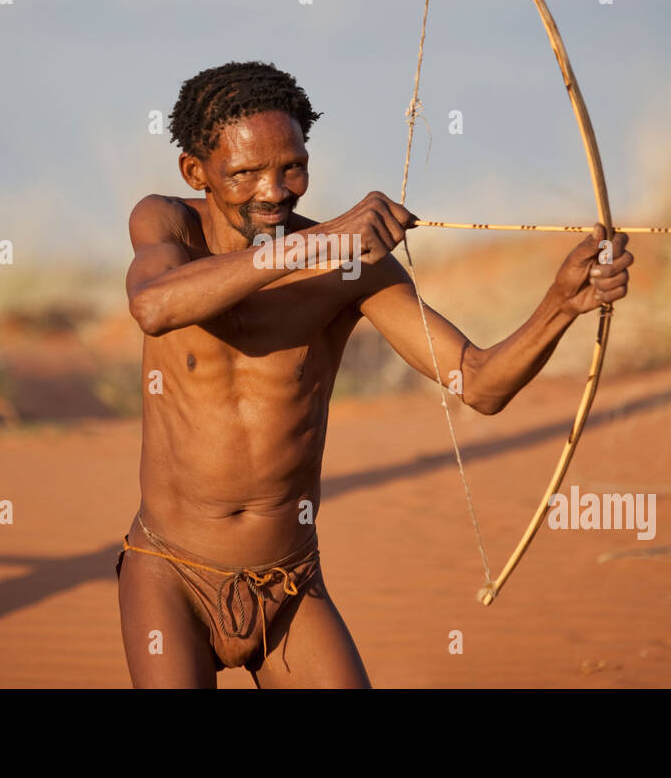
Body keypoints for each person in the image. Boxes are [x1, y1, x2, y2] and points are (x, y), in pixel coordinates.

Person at [117, 60, 632, 687]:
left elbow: (481, 383)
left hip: (290, 580)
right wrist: (321, 242)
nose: (274, 191)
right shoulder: (168, 224)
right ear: (196, 172)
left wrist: (562, 304)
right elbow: (154, 306)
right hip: (171, 572)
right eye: (245, 172)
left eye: (293, 167)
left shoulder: (351, 267)